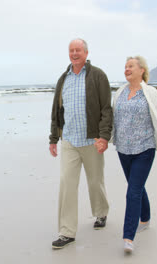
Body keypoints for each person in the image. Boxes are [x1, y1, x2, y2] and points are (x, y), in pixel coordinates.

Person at [49, 38, 113, 249]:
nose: (74, 53)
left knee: (95, 181)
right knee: (67, 184)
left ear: (86, 52)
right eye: (71, 50)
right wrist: (53, 138)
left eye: (78, 50)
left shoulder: (97, 75)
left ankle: (101, 213)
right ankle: (67, 232)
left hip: (91, 140)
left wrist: (104, 136)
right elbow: (57, 111)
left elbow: (106, 109)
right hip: (69, 141)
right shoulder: (63, 79)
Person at [111, 56, 157, 253]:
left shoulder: (151, 93)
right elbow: (113, 119)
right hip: (123, 149)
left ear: (141, 70)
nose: (126, 69)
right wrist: (105, 138)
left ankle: (128, 237)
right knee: (136, 187)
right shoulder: (120, 92)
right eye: (125, 66)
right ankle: (145, 219)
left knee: (133, 192)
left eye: (130, 66)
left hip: (144, 149)